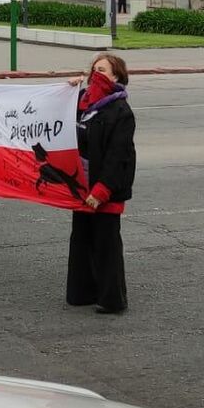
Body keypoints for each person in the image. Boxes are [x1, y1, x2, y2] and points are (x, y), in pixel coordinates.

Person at [68, 52, 136, 314]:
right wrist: (69, 91)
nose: (97, 75)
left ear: (116, 76)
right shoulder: (83, 103)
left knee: (106, 243)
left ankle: (111, 299)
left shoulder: (120, 110)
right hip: (81, 186)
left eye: (103, 71)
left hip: (105, 188)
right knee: (81, 239)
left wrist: (102, 190)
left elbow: (118, 156)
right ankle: (82, 293)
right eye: (94, 70)